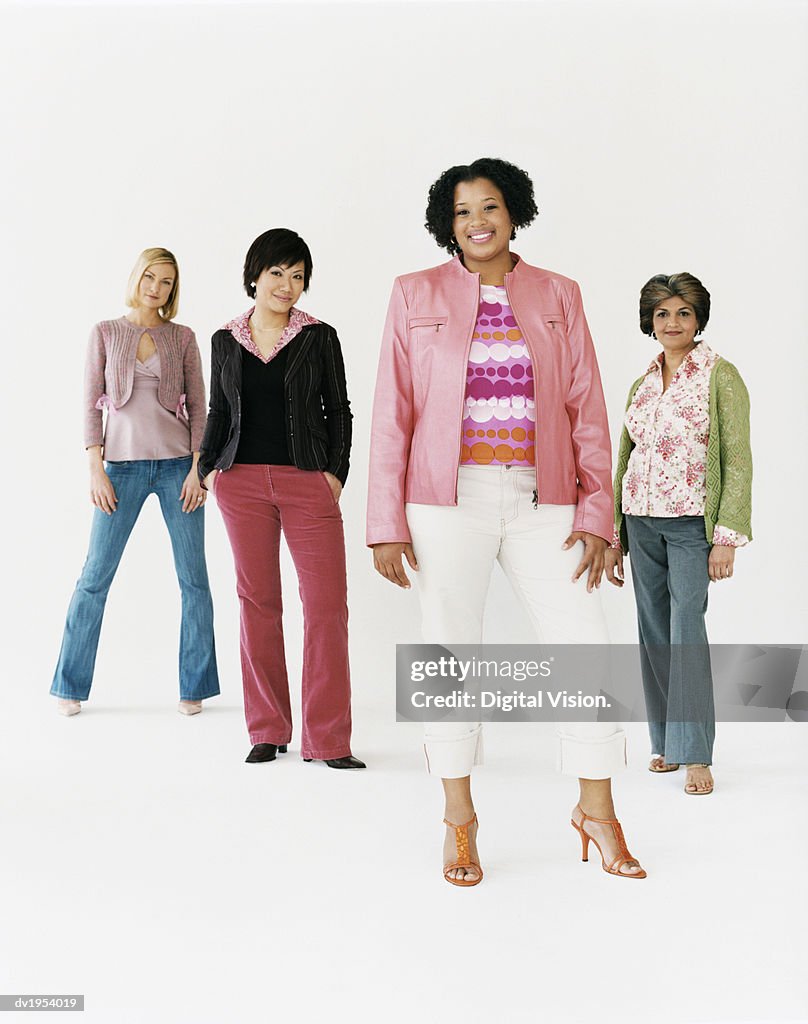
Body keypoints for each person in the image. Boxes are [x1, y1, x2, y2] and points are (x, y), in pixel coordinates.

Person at [368, 158, 644, 884]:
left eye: (489, 206)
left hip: (542, 496)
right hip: (441, 500)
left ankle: (598, 811)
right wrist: (384, 521)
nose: (477, 222)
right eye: (461, 212)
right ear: (446, 224)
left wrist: (596, 513)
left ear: (513, 211)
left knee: (585, 646)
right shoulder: (413, 294)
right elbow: (393, 412)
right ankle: (459, 819)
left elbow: (587, 407)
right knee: (448, 654)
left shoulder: (558, 294)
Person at [198, 228, 365, 769]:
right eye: (277, 273)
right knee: (258, 603)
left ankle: (329, 741)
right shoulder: (225, 339)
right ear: (255, 274)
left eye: (297, 276)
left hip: (306, 482)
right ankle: (268, 729)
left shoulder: (320, 337)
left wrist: (334, 475)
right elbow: (218, 413)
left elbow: (338, 410)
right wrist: (207, 470)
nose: (287, 285)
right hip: (240, 483)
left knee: (325, 608)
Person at [51, 247, 220, 715]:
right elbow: (90, 403)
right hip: (119, 470)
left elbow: (201, 408)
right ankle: (70, 684)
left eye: (166, 281)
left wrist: (197, 471)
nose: (156, 287)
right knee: (94, 578)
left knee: (194, 580)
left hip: (176, 469)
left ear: (173, 289)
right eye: (150, 276)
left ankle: (195, 685)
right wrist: (95, 469)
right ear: (136, 277)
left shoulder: (183, 337)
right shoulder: (106, 332)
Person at [605, 273, 752, 796]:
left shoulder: (720, 376)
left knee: (687, 630)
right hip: (639, 521)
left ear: (699, 319)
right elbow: (627, 457)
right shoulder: (641, 382)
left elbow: (736, 458)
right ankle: (665, 740)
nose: (673, 323)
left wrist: (727, 537)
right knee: (653, 634)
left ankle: (696, 753)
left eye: (683, 313)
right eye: (663, 313)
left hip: (692, 525)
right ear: (649, 320)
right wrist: (615, 535)